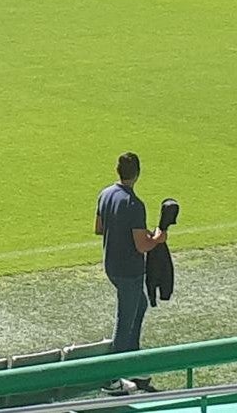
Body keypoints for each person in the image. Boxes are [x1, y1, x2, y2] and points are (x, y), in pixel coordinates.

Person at [95, 152, 167, 394]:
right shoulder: (135, 204)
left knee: (140, 306)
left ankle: (131, 360)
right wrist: (156, 238)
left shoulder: (105, 194)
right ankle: (112, 377)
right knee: (124, 320)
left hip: (112, 265)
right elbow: (142, 246)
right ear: (137, 173)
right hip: (130, 270)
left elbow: (99, 228)